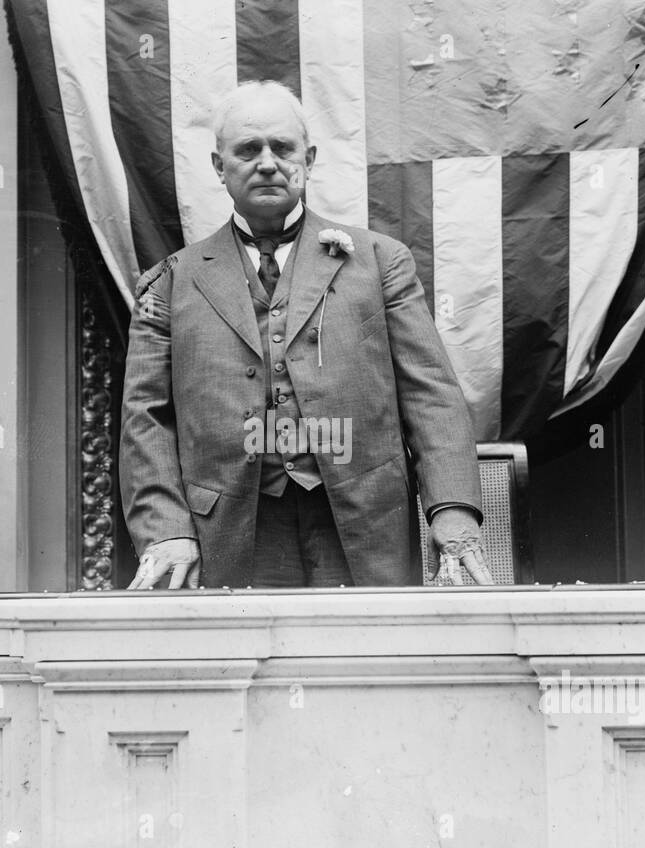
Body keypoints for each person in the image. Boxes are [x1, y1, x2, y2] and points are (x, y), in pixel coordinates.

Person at [120, 81, 491, 589]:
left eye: (283, 148)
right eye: (248, 150)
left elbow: (431, 394)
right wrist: (165, 529)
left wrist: (451, 509)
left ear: (309, 158)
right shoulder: (171, 280)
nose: (268, 162)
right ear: (218, 166)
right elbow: (146, 417)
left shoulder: (381, 262)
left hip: (364, 523)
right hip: (227, 531)